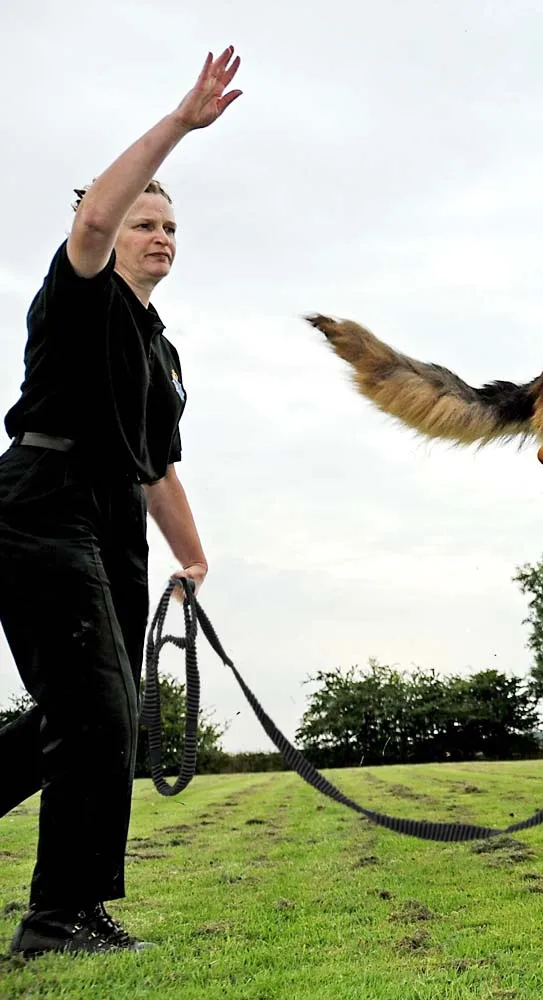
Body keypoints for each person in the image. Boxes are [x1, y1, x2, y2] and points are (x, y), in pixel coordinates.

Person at [0, 46, 242, 956]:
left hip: (111, 520)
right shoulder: (80, 290)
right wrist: (181, 124)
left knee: (100, 717)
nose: (160, 236)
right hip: (39, 499)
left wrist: (193, 554)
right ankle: (55, 922)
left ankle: (81, 906)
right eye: (147, 221)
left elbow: (157, 467)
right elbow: (98, 208)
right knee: (95, 708)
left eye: (170, 227)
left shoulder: (161, 352)